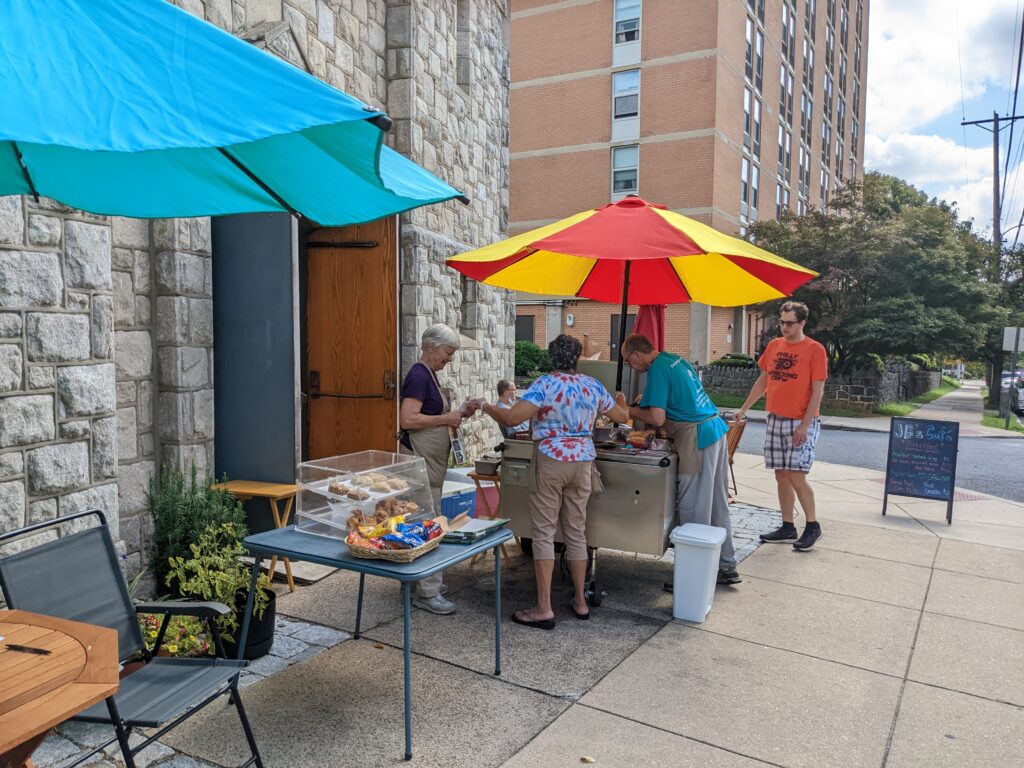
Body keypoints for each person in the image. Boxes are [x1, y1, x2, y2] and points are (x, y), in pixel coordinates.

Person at [483, 334, 629, 629]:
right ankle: (580, 600)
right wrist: (622, 399)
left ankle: (544, 608)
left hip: (551, 459)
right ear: (578, 357)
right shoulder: (592, 385)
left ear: (551, 358)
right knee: (576, 531)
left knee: (544, 533)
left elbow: (513, 418)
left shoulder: (545, 384)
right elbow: (623, 416)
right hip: (583, 462)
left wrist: (488, 408)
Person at [620, 334, 741, 587]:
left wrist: (624, 409)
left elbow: (658, 418)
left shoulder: (658, 369)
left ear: (637, 354)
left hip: (696, 438)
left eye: (628, 361)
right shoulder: (674, 360)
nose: (630, 366)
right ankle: (725, 565)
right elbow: (679, 398)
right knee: (717, 503)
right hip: (715, 431)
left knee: (693, 506)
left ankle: (691, 577)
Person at [399, 323, 479, 614]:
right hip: (420, 464)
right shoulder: (419, 375)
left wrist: (459, 413)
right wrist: (447, 419)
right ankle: (427, 593)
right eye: (448, 352)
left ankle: (420, 581)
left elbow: (436, 416)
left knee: (423, 521)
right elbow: (408, 420)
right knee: (427, 523)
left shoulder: (428, 374)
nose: (450, 358)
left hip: (430, 466)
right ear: (431, 346)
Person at [736, 301, 827, 550]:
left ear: (802, 323)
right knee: (781, 476)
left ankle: (812, 526)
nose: (784, 327)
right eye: (782, 321)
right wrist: (744, 408)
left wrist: (804, 426)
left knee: (797, 475)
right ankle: (788, 526)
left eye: (789, 323)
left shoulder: (814, 349)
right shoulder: (774, 346)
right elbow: (763, 380)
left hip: (801, 421)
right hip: (775, 418)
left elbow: (818, 392)